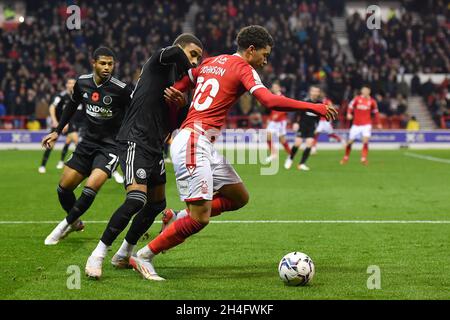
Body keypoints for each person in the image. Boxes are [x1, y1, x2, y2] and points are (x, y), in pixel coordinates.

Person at [129, 25, 337, 280]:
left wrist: (177, 96)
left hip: (202, 142)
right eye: (265, 54)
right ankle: (145, 255)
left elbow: (180, 85)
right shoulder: (243, 68)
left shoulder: (211, 61)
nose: (265, 60)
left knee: (239, 196)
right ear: (251, 50)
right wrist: (313, 107)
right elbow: (269, 101)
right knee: (201, 218)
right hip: (194, 142)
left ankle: (177, 216)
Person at [84, 34, 203, 279]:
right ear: (180, 49)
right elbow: (173, 53)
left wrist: (182, 104)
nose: (194, 61)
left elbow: (178, 122)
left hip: (155, 146)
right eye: (193, 54)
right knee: (136, 199)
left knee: (156, 204)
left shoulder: (179, 83)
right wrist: (196, 71)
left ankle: (124, 253)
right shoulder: (159, 62)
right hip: (134, 139)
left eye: (198, 58)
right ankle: (97, 254)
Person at [42, 47, 133, 245]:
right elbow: (71, 105)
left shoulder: (122, 89)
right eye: (103, 63)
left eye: (110, 64)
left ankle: (62, 227)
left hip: (110, 146)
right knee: (63, 189)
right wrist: (57, 130)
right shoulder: (82, 83)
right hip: (87, 143)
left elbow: (136, 112)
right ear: (94, 63)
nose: (107, 67)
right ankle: (75, 222)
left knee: (92, 186)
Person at [38, 79, 84, 173]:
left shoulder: (78, 96)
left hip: (70, 124)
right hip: (59, 124)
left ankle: (75, 169)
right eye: (69, 83)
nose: (71, 85)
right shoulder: (61, 96)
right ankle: (42, 165)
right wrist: (55, 121)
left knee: (78, 144)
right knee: (50, 144)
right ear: (66, 85)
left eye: (73, 83)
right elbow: (52, 107)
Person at [284, 85, 324, 171]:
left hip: (312, 127)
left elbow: (319, 116)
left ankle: (302, 164)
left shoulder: (320, 103)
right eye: (313, 91)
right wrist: (295, 122)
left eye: (317, 91)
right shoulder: (305, 101)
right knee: (298, 143)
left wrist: (317, 126)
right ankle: (290, 158)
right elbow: (297, 112)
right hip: (302, 125)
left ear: (319, 93)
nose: (315, 93)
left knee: (309, 144)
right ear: (310, 92)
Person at [340, 85, 382, 165]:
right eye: (364, 90)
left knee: (365, 140)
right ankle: (346, 157)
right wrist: (349, 114)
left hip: (366, 124)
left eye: (367, 90)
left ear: (369, 91)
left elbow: (376, 113)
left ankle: (363, 158)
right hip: (356, 124)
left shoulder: (372, 101)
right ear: (362, 91)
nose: (365, 92)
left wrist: (378, 123)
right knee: (350, 142)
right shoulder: (357, 99)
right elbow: (350, 106)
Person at [265, 82, 291, 163]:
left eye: (276, 87)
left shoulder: (282, 97)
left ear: (279, 88)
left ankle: (290, 155)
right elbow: (272, 110)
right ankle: (273, 154)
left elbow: (285, 108)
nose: (274, 88)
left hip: (281, 121)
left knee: (282, 139)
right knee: (268, 136)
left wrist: (278, 115)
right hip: (273, 121)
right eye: (273, 87)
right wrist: (269, 118)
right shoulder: (272, 97)